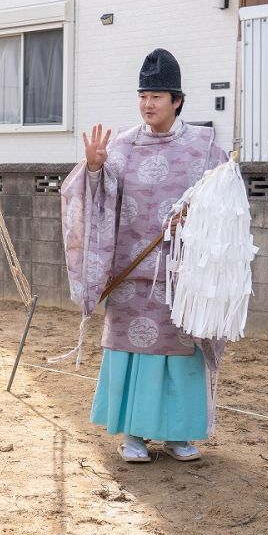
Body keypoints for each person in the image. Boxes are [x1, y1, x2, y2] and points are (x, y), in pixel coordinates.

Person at [60, 48, 229, 464]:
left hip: (183, 276)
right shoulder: (121, 147)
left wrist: (197, 222)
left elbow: (228, 205)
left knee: (181, 354)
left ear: (177, 101)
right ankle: (133, 435)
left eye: (156, 96)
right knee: (133, 353)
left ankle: (179, 435)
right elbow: (95, 204)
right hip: (132, 275)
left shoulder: (206, 149)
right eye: (142, 95)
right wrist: (95, 170)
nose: (147, 103)